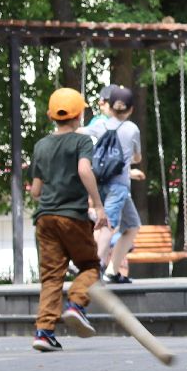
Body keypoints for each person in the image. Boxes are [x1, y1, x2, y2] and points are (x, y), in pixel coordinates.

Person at [29, 88, 111, 352]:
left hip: (45, 218)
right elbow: (84, 169)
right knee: (90, 266)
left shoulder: (41, 145)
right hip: (72, 216)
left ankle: (44, 332)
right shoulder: (82, 141)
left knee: (51, 277)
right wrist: (98, 206)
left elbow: (35, 191)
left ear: (51, 115)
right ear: (80, 114)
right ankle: (76, 304)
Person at [84, 84, 145, 284]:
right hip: (119, 186)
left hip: (101, 183)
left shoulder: (100, 125)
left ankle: (111, 271)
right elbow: (137, 157)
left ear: (109, 107)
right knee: (107, 226)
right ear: (131, 109)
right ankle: (90, 269)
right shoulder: (132, 129)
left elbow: (79, 132)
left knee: (133, 226)